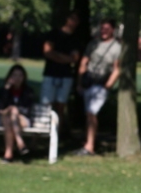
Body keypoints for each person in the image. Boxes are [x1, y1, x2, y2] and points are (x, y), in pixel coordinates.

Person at [74, 18, 122, 156]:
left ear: (112, 30)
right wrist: (79, 82)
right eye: (102, 28)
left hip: (101, 85)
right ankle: (88, 144)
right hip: (88, 82)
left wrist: (107, 86)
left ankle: (89, 146)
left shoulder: (116, 48)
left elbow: (116, 69)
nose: (104, 31)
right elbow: (84, 62)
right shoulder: (93, 44)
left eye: (107, 29)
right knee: (88, 114)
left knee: (91, 113)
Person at [41, 10, 83, 133]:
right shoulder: (53, 34)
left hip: (65, 76)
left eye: (76, 20)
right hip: (50, 74)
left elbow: (75, 59)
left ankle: (56, 135)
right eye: (72, 19)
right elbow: (48, 52)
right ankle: (41, 133)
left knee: (60, 106)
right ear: (67, 19)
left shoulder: (75, 39)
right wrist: (65, 58)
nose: (73, 22)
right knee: (46, 105)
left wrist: (57, 55)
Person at [0, 64, 35, 163]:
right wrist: (7, 88)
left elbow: (27, 110)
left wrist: (12, 109)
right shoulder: (4, 91)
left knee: (13, 111)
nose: (17, 78)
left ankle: (8, 155)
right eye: (14, 75)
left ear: (24, 77)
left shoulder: (28, 91)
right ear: (10, 77)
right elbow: (0, 108)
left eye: (20, 75)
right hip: (6, 118)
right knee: (8, 118)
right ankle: (20, 144)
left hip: (22, 119)